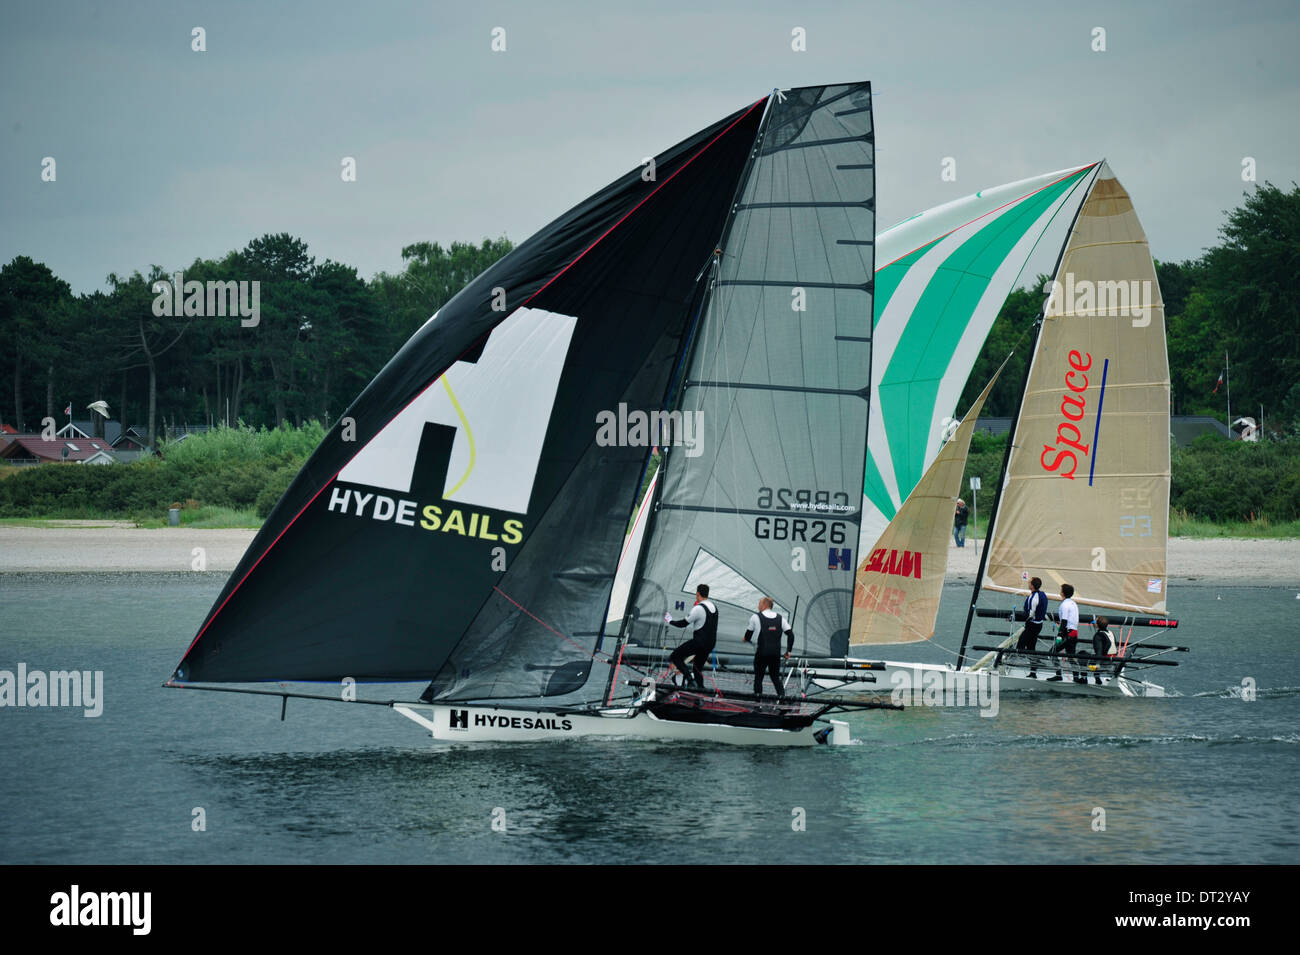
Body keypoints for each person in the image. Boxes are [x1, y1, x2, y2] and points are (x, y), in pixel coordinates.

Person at [665, 584, 718, 688]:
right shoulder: (714, 607)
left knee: (675, 656)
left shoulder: (698, 608)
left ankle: (690, 680)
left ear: (697, 593)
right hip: (710, 644)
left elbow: (683, 624)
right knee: (697, 668)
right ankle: (701, 690)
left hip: (699, 643)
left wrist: (670, 620)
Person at [743, 597, 794, 698]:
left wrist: (745, 639)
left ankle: (758, 704)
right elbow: (791, 635)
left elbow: (748, 636)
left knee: (759, 677)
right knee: (775, 677)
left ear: (764, 605)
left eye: (759, 604)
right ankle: (783, 700)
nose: (758, 606)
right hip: (775, 654)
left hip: (762, 653)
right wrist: (788, 651)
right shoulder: (781, 618)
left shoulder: (755, 617)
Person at [1047, 583, 1081, 683]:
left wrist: (1059, 635)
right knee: (1071, 656)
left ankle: (1058, 675)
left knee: (1052, 652)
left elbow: (1065, 621)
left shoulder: (1064, 605)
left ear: (1062, 592)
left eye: (1060, 590)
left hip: (1068, 633)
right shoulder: (1073, 603)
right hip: (1074, 632)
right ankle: (1076, 677)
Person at [1018, 576, 1048, 677]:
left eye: (1029, 582)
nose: (1028, 584)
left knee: (1020, 645)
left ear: (1032, 585)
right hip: (1039, 625)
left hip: (1032, 625)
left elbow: (1030, 614)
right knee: (1031, 648)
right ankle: (1033, 672)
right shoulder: (1043, 594)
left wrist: (1014, 617)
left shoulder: (1033, 597)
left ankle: (1037, 661)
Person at [1088, 616, 1117, 686]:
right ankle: (1099, 677)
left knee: (1082, 655)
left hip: (1103, 661)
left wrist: (1097, 665)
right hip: (1113, 659)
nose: (1093, 624)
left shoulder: (1098, 636)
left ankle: (1085, 679)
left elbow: (1099, 651)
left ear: (1097, 625)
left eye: (1095, 622)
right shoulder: (1111, 632)